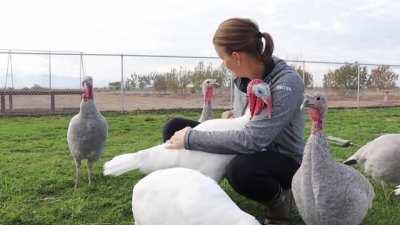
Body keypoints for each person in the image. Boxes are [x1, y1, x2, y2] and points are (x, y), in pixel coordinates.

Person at [164, 18, 305, 225]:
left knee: (240, 169)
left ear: (236, 56)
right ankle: (189, 189)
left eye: (222, 57)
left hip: (282, 159)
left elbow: (254, 139)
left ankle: (279, 200)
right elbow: (246, 118)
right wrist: (233, 115)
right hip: (249, 140)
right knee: (174, 126)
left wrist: (191, 139)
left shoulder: (286, 83)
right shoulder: (241, 77)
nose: (223, 64)